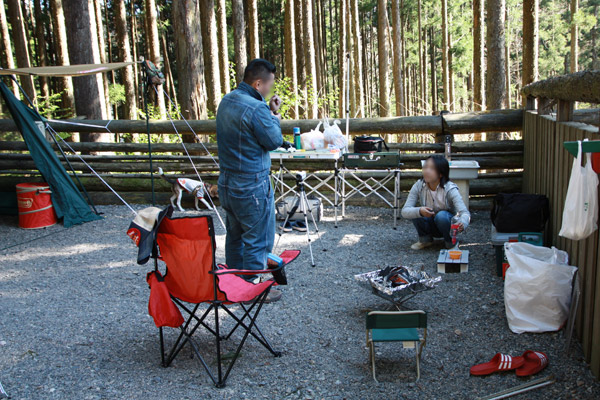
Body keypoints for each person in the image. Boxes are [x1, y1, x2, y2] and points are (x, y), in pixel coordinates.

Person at [216, 59, 284, 301]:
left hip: (227, 181)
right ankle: (253, 290)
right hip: (251, 185)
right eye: (269, 85)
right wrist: (273, 112)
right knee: (256, 239)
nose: (270, 90)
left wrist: (267, 108)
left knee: (235, 236)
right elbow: (274, 140)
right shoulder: (257, 109)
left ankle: (233, 283)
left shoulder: (228, 100)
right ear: (258, 83)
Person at [401, 155, 471, 250]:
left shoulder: (450, 189)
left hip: (447, 226)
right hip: (430, 224)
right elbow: (405, 211)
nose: (427, 171)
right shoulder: (418, 185)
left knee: (442, 215)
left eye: (432, 168)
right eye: (425, 167)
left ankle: (451, 242)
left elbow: (465, 213)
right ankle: (425, 240)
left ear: (441, 173)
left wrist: (462, 223)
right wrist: (420, 211)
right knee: (416, 211)